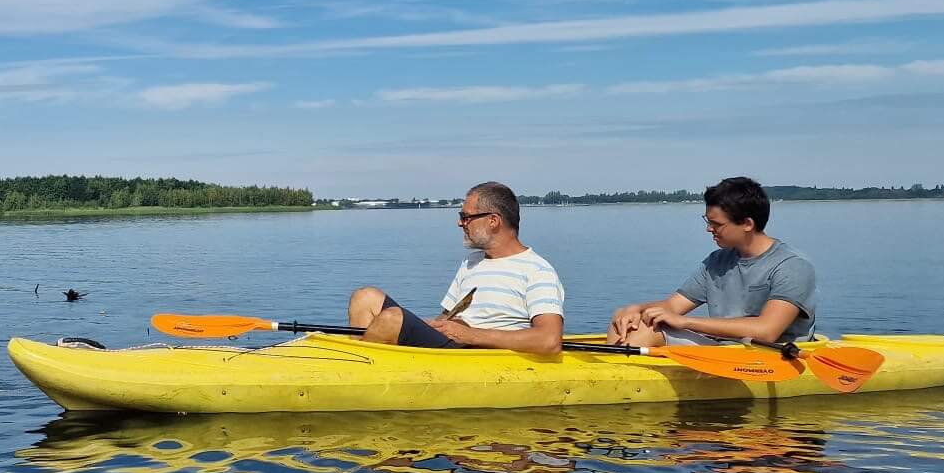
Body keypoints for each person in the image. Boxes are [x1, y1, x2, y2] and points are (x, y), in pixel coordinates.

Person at [347, 181, 565, 355]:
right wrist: (429, 324)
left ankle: (354, 369)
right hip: (453, 345)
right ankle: (360, 367)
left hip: (476, 354)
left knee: (392, 317)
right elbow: (446, 320)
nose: (460, 223)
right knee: (364, 298)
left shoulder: (537, 270)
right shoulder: (472, 262)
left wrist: (471, 335)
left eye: (466, 217)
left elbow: (549, 340)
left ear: (493, 221)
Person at [608, 176, 816, 348]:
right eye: (707, 221)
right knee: (625, 320)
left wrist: (686, 322)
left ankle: (617, 385)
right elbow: (673, 305)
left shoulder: (792, 266)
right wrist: (635, 309)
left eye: (716, 224)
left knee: (647, 334)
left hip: (771, 355)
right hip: (720, 349)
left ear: (747, 224)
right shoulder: (716, 261)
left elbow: (767, 331)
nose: (709, 229)